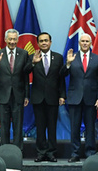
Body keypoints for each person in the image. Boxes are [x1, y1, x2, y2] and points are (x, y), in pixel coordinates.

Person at [62, 34, 98, 162]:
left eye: (87, 41)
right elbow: (62, 74)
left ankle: (90, 152)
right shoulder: (72, 57)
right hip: (75, 98)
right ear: (79, 43)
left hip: (91, 99)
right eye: (83, 41)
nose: (85, 43)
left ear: (90, 43)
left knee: (91, 127)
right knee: (74, 128)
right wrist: (68, 64)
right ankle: (75, 153)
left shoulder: (97, 59)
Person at [0, 29, 32, 149]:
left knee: (18, 125)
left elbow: (26, 76)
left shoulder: (24, 54)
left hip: (18, 95)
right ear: (5, 40)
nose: (12, 41)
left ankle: (17, 151)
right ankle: (4, 151)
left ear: (18, 39)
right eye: (10, 39)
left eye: (15, 39)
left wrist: (26, 95)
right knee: (4, 126)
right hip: (2, 96)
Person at [29, 32, 65, 162]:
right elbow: (24, 73)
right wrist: (32, 63)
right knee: (40, 127)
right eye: (41, 41)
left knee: (52, 127)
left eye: (46, 40)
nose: (44, 43)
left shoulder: (59, 57)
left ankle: (51, 153)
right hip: (38, 97)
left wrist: (62, 95)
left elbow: (61, 78)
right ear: (38, 43)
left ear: (50, 42)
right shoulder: (33, 57)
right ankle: (41, 152)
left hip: (53, 97)